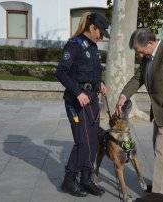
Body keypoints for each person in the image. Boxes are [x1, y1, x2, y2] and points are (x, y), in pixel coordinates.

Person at [115, 28, 163, 202]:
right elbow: (138, 78)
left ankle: (160, 194)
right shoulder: (147, 57)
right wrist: (124, 95)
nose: (139, 55)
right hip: (160, 111)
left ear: (150, 43)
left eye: (139, 50)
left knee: (162, 151)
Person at [55, 12, 110, 197]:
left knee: (93, 141)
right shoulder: (74, 45)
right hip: (76, 101)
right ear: (92, 27)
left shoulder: (93, 47)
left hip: (92, 100)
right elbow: (61, 72)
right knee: (82, 142)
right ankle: (69, 180)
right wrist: (78, 92)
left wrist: (99, 83)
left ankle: (86, 179)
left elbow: (94, 73)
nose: (101, 36)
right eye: (100, 32)